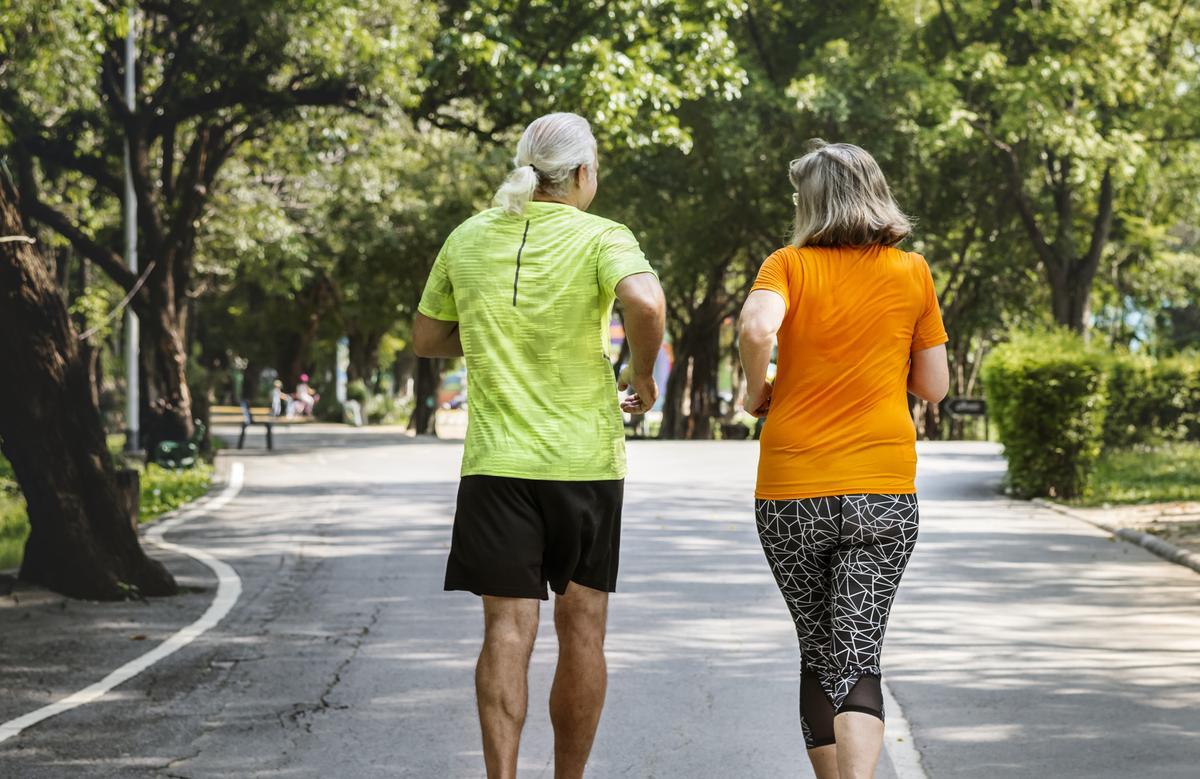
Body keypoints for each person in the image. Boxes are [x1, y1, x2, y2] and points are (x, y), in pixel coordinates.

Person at [412, 112, 665, 779]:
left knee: (505, 631)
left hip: (496, 467)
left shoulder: (467, 237)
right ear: (582, 174)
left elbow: (426, 338)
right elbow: (645, 301)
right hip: (585, 465)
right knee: (582, 628)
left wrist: (497, 338)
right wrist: (641, 376)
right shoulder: (604, 236)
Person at [738, 140, 949, 779]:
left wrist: (756, 392)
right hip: (881, 494)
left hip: (791, 492)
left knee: (817, 649)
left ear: (812, 203)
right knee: (856, 653)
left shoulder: (787, 265)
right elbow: (934, 386)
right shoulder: (911, 272)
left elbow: (754, 328)